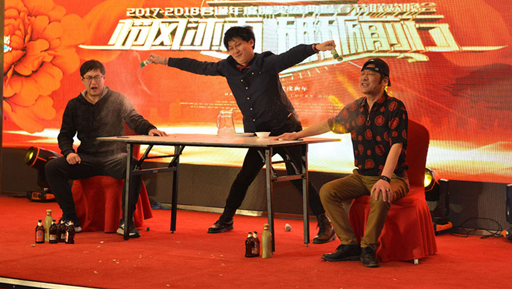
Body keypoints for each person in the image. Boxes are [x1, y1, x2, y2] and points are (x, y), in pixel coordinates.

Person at [145, 25, 336, 243]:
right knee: (244, 177)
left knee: (298, 176)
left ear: (250, 43)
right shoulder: (228, 67)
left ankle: (325, 224)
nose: (235, 50)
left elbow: (290, 56)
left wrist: (315, 47)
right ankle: (226, 219)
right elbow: (198, 66)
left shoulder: (265, 62)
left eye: (239, 45)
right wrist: (165, 60)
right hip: (259, 135)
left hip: (286, 130)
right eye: (231, 47)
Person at [275, 58, 409, 267]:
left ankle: (368, 248)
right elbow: (330, 124)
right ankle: (349, 245)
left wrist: (385, 178)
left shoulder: (395, 107)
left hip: (394, 177)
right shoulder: (356, 107)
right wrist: (296, 135)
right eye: (362, 73)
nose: (364, 78)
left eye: (371, 74)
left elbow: (397, 145)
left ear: (384, 81)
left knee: (380, 193)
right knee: (328, 191)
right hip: (361, 176)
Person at [45, 60, 167, 238]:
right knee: (52, 167)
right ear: (82, 80)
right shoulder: (74, 105)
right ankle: (71, 218)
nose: (93, 82)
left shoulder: (118, 99)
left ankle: (126, 222)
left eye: (97, 77)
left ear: (104, 78)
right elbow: (64, 135)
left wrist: (150, 129)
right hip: (86, 159)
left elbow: (135, 118)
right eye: (89, 78)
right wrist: (69, 152)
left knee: (134, 167)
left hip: (114, 158)